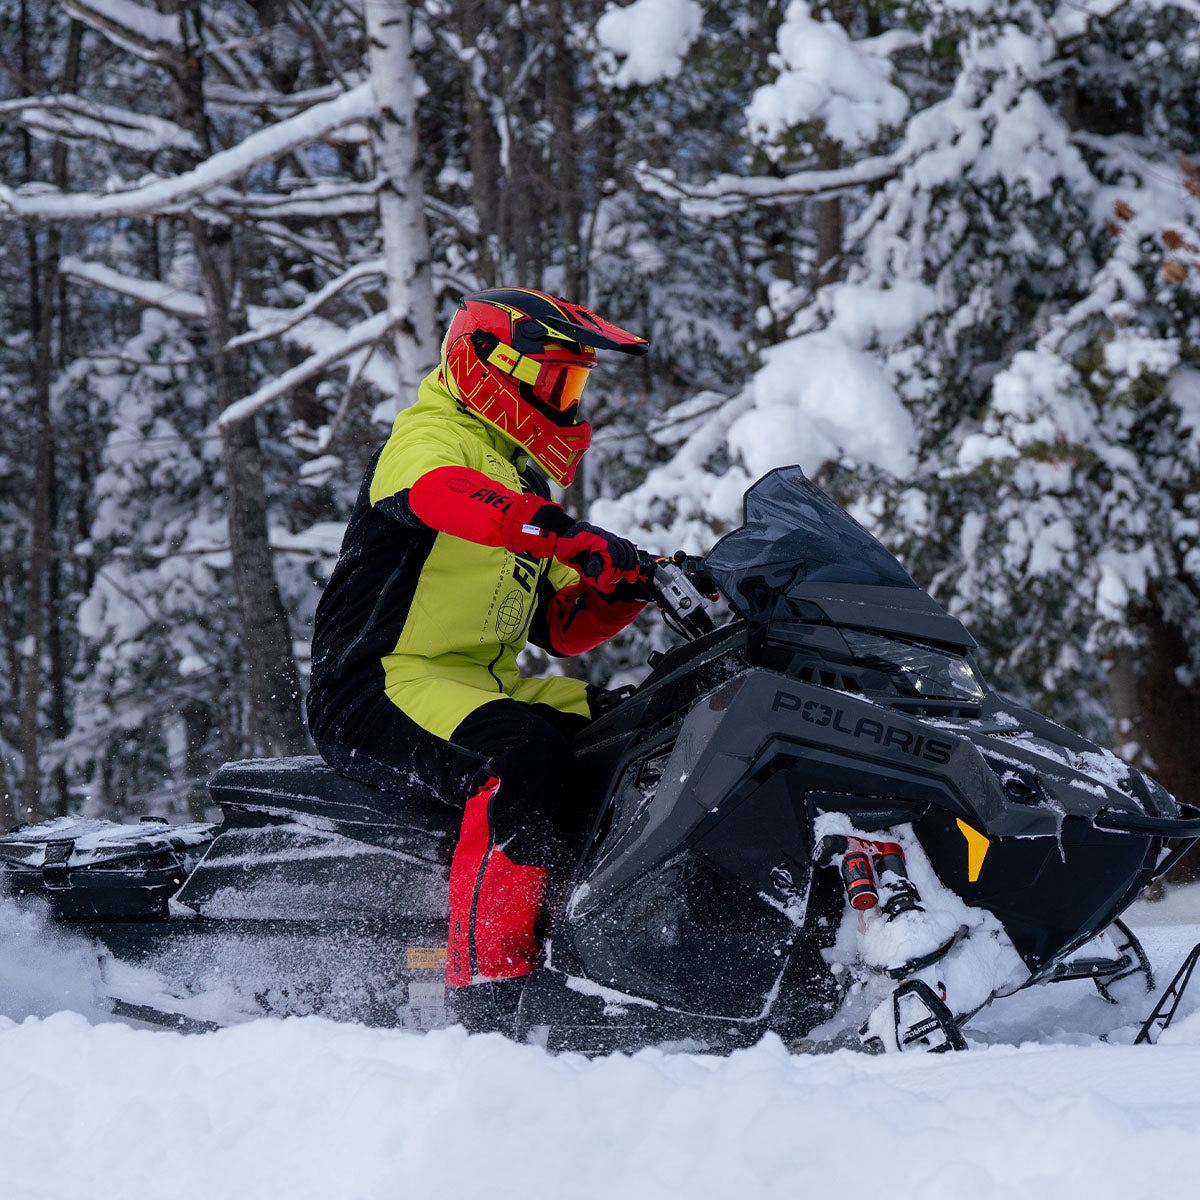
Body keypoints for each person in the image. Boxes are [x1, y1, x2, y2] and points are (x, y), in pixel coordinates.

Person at [306, 287, 650, 1008]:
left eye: (574, 385)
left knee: (642, 726)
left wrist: (634, 585)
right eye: (554, 380)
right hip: (377, 686)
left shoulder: (518, 477)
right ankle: (487, 989)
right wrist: (560, 532)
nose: (566, 401)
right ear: (487, 368)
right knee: (518, 757)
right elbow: (445, 495)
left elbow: (562, 626)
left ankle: (608, 944)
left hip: (476, 685)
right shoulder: (427, 439)